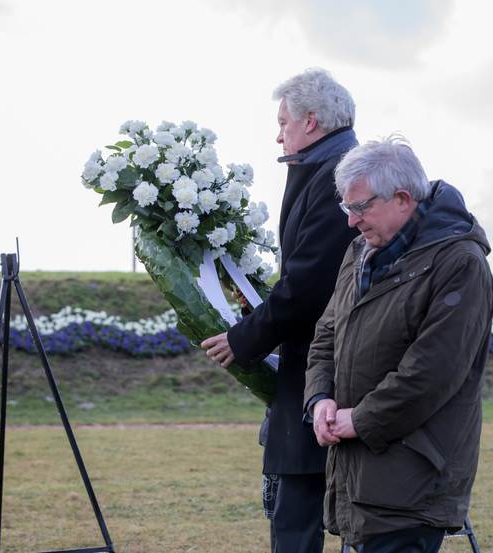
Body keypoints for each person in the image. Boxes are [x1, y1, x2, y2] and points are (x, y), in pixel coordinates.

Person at [303, 136, 493, 552]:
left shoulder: (460, 263)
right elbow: (326, 335)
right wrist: (320, 398)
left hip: (412, 480)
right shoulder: (360, 252)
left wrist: (362, 419)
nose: (351, 221)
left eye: (360, 208)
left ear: (403, 199)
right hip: (358, 475)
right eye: (347, 207)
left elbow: (432, 372)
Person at [200, 68, 360, 553]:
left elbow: (308, 286)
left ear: (311, 122)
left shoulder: (341, 177)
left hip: (326, 364)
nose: (278, 133)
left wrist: (244, 339)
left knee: (298, 511)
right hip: (320, 358)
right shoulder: (325, 165)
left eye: (283, 121)